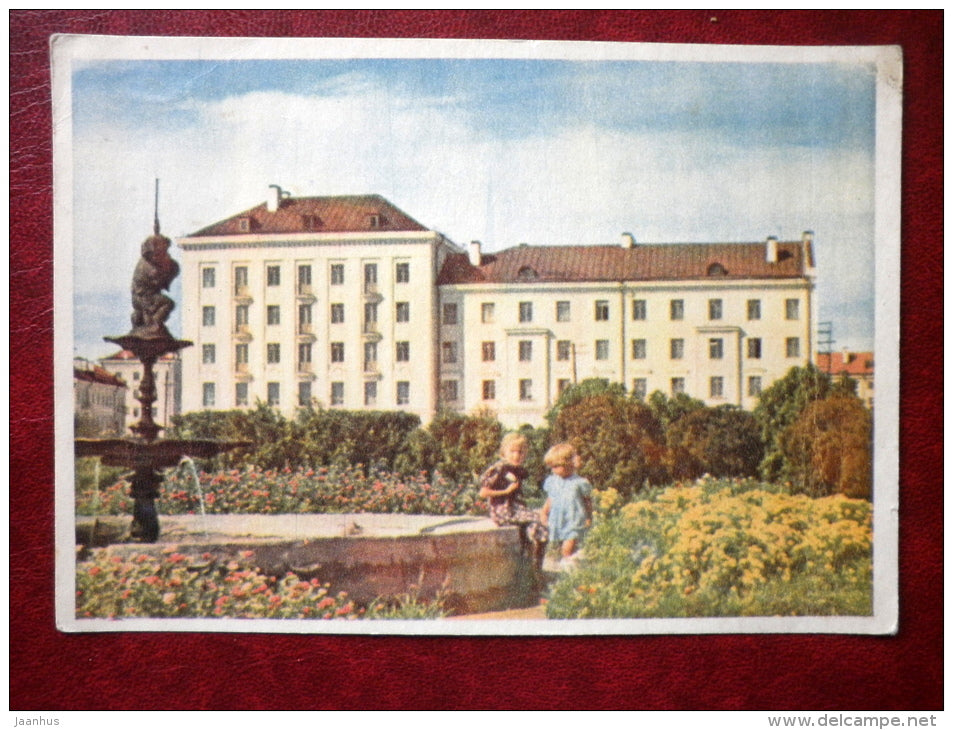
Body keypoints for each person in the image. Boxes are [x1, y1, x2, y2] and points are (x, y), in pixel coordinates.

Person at [479, 432, 548, 571]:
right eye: (512, 452)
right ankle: (534, 567)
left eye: (521, 452)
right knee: (540, 520)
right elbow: (483, 493)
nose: (516, 456)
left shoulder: (517, 469)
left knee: (536, 527)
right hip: (503, 510)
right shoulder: (499, 469)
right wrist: (506, 492)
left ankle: (532, 564)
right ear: (504, 452)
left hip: (515, 508)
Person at [540, 443, 593, 568]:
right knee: (556, 546)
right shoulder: (553, 481)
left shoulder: (579, 482)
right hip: (558, 518)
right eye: (551, 467)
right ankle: (565, 564)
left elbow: (587, 501)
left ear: (569, 463)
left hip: (574, 519)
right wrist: (544, 512)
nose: (553, 470)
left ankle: (568, 565)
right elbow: (550, 499)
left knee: (568, 546)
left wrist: (588, 517)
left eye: (557, 466)